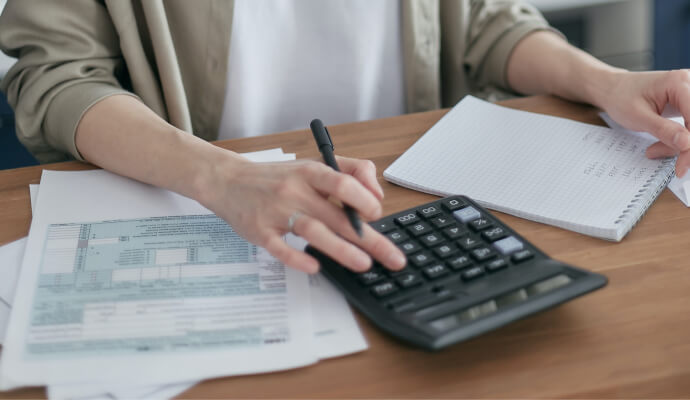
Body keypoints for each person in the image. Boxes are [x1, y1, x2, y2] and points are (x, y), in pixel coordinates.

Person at [0, 0, 688, 274]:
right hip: (210, 213)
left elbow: (486, 23)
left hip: (399, 202)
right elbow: (58, 79)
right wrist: (221, 176)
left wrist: (603, 82)